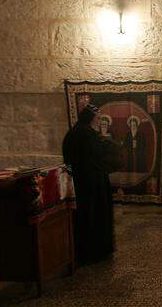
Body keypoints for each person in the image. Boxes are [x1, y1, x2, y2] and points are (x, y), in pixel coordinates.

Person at [62, 104, 117, 266]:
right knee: (93, 215)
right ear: (91, 119)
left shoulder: (75, 132)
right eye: (98, 118)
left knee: (84, 216)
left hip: (81, 182)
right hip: (92, 184)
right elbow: (96, 158)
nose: (100, 121)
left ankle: (83, 250)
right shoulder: (86, 134)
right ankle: (94, 251)